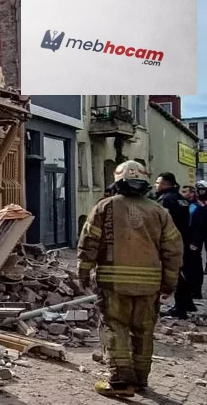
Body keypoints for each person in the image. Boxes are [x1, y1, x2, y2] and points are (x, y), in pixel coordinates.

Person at [78, 161, 182, 397]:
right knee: (144, 331)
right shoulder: (159, 212)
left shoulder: (105, 207)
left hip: (113, 284)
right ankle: (140, 379)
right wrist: (169, 283)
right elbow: (173, 250)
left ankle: (121, 382)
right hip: (149, 286)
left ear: (117, 182)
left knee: (115, 327)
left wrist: (83, 274)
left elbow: (88, 244)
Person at [154, 172, 198, 318]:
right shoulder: (181, 199)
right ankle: (187, 303)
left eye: (158, 182)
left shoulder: (166, 200)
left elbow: (161, 223)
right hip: (182, 239)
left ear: (166, 184)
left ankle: (180, 309)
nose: (156, 185)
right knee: (180, 272)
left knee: (174, 273)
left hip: (170, 242)